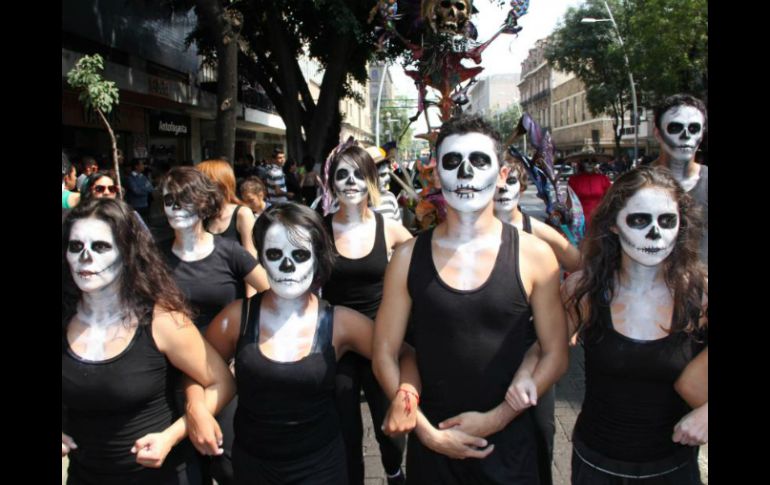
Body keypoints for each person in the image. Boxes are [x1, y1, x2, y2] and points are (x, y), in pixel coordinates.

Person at [373, 114, 569, 484]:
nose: (465, 173)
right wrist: (427, 432)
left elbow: (555, 353)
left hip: (511, 450)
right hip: (433, 451)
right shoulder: (406, 258)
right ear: (436, 176)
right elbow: (385, 352)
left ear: (501, 175)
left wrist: (496, 419)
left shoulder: (534, 255)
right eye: (452, 162)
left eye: (479, 161)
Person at [184, 203, 418, 485]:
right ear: (261, 258)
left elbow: (402, 353)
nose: (286, 266)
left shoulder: (340, 323)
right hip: (253, 466)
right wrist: (195, 407)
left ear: (317, 258)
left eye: (299, 254)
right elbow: (196, 369)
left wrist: (405, 396)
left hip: (320, 467)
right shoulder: (236, 319)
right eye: (274, 254)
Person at [518, 166, 708, 484]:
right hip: (597, 466)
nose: (655, 234)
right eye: (639, 220)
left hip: (672, 469)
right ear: (615, 225)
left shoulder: (699, 295)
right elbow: (544, 348)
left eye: (666, 221)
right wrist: (525, 375)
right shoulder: (586, 291)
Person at [62, 198, 235, 485]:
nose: (86, 257)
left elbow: (221, 382)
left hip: (163, 475)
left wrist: (174, 434)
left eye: (101, 246)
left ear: (127, 253)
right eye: (76, 246)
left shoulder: (161, 320)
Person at [160, 166, 270, 485]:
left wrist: (247, 348)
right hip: (169, 379)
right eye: (169, 199)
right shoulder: (152, 255)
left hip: (223, 374)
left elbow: (269, 295)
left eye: (184, 198)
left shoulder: (229, 252)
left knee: (229, 466)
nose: (176, 206)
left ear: (203, 202)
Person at [321, 143, 413, 484]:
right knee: (345, 429)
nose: (350, 182)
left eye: (359, 174)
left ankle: (393, 471)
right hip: (337, 343)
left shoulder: (387, 227)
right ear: (332, 184)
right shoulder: (319, 229)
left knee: (390, 428)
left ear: (371, 181)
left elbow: (417, 258)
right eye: (342, 175)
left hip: (380, 342)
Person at [652, 94, 708, 265]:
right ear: (658, 133)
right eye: (675, 128)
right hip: (652, 288)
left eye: (693, 129)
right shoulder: (631, 186)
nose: (685, 136)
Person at [196, 159, 258, 258]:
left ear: (221, 186)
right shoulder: (202, 216)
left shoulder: (242, 214)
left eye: (204, 185)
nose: (199, 190)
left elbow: (251, 255)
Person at [568, 157, 611, 228]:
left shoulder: (603, 179)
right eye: (586, 160)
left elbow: (609, 199)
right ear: (581, 162)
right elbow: (569, 201)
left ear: (596, 163)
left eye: (593, 160)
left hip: (599, 219)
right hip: (579, 220)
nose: (590, 163)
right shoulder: (574, 180)